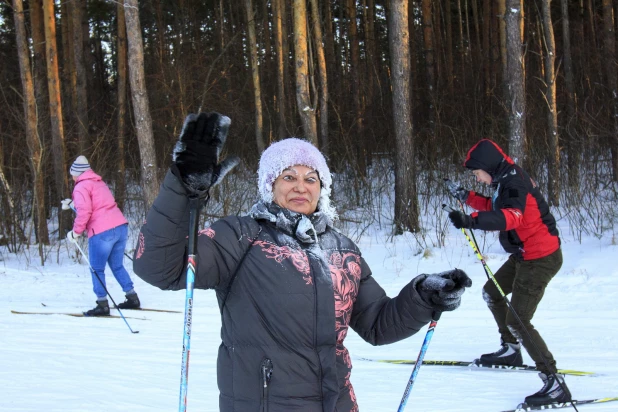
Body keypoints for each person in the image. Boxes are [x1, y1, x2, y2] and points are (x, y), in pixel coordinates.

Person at [133, 112, 472, 412]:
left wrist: (422, 297)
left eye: (311, 179)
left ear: (321, 188)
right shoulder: (239, 236)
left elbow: (378, 323)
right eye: (288, 177)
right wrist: (183, 189)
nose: (300, 187)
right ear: (270, 185)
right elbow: (160, 267)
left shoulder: (343, 248)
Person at [445, 139, 570, 406]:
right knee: (492, 292)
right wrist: (466, 197)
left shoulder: (514, 183)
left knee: (519, 319)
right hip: (524, 253)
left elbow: (511, 216)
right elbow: (497, 206)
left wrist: (470, 221)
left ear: (488, 166)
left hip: (540, 257)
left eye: (477, 172)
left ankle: (554, 383)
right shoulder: (505, 178)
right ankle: (511, 349)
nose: (477, 178)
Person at [63, 155, 140, 316]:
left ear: (77, 173)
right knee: (117, 265)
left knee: (97, 269)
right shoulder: (98, 182)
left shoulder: (80, 187)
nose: (72, 177)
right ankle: (132, 297)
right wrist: (72, 204)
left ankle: (102, 304)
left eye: (72, 174)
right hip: (120, 226)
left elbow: (85, 212)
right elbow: (97, 207)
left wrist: (76, 232)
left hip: (102, 232)